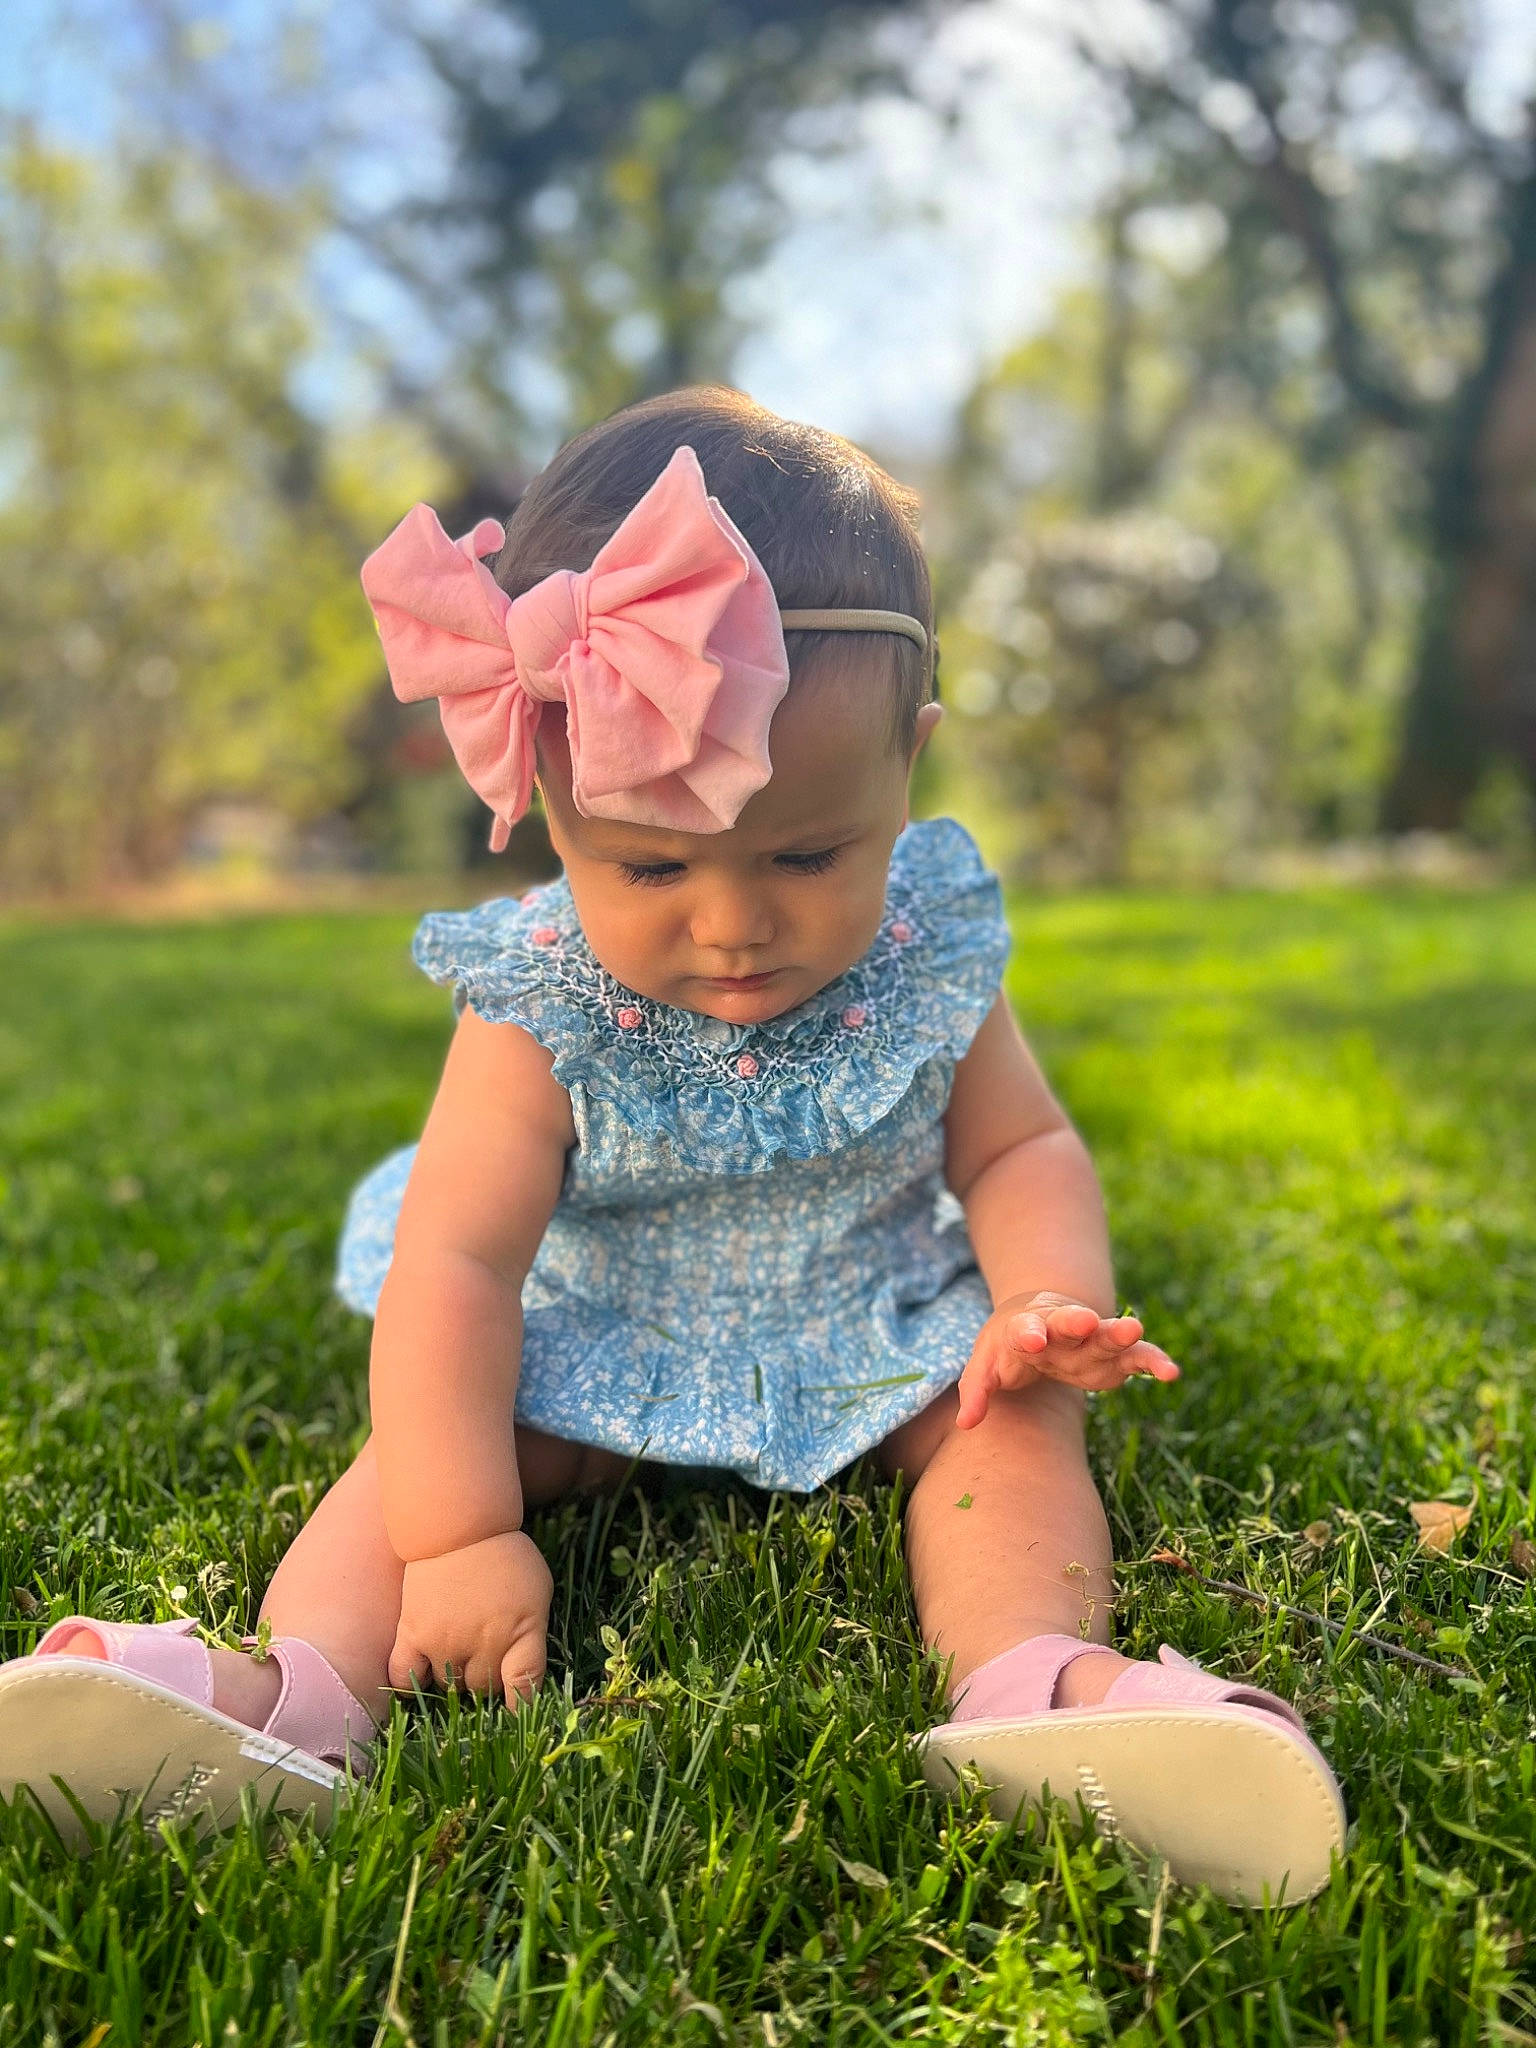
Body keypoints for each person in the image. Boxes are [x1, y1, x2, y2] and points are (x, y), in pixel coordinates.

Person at [0, 387, 1345, 1902]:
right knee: (424, 1446)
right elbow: (458, 1259)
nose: (730, 923)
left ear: (909, 761)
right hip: (599, 1337)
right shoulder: (539, 1004)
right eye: (648, 863)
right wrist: (456, 1541)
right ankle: (291, 1699)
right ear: (550, 812)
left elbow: (1021, 1146)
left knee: (1006, 1433)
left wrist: (1037, 1300)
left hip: (871, 1326)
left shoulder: (931, 950)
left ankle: (1036, 1687)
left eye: (806, 854)